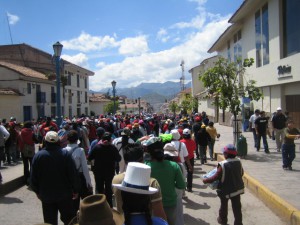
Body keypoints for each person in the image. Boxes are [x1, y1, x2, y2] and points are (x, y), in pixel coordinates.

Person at [30, 131, 80, 225]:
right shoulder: (65, 154)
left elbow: (33, 177)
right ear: (58, 141)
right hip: (65, 195)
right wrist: (76, 190)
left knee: (49, 221)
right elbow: (73, 174)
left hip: (46, 195)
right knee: (69, 220)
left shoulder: (38, 156)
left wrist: (37, 191)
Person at [113, 143, 167, 221]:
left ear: (125, 161)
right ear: (142, 159)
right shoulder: (152, 183)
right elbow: (159, 213)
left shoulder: (116, 180)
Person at [145, 138, 186, 225]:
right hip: (170, 203)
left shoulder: (145, 167)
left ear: (148, 151)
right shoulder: (174, 166)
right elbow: (181, 185)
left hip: (151, 205)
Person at [202, 144, 244, 225]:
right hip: (237, 189)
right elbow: (241, 173)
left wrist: (206, 180)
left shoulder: (223, 164)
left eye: (224, 153)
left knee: (224, 206)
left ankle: (223, 220)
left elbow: (216, 177)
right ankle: (238, 223)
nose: (224, 154)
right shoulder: (238, 161)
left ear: (227, 154)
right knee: (237, 208)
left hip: (225, 191)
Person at [88, 132, 121, 207]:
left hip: (98, 172)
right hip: (109, 172)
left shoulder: (97, 147)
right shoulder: (112, 148)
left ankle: (100, 205)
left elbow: (89, 157)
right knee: (108, 189)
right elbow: (119, 159)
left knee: (99, 189)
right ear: (110, 140)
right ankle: (109, 206)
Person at [64, 130, 93, 212]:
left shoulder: (63, 151)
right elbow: (85, 168)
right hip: (80, 178)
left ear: (67, 139)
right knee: (87, 203)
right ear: (77, 140)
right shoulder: (80, 150)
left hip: (69, 180)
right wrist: (89, 183)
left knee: (73, 205)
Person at [20, 121, 38, 185]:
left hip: (23, 150)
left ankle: (26, 180)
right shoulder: (32, 133)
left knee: (25, 165)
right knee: (32, 164)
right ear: (30, 126)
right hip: (30, 150)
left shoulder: (21, 132)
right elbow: (36, 141)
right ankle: (31, 179)